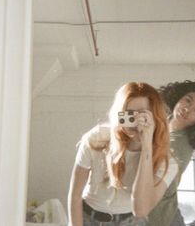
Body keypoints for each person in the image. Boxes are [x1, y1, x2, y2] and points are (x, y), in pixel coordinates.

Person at [77, 80, 195, 226]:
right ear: (178, 97)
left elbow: (148, 181)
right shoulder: (164, 122)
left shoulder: (178, 148)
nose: (187, 109)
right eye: (188, 100)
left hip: (158, 216)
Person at [67, 82, 179, 226]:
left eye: (143, 115)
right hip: (87, 216)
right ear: (118, 115)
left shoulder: (167, 162)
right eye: (129, 114)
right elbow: (75, 195)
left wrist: (146, 147)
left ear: (155, 117)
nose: (134, 122)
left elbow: (141, 210)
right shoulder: (97, 137)